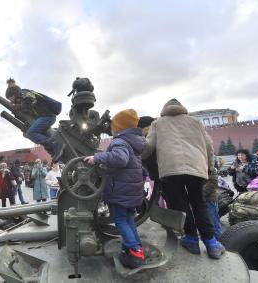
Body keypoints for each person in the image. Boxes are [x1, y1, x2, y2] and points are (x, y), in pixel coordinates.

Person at [143, 98, 225, 259]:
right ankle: (212, 243)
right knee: (199, 202)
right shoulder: (195, 122)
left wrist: (138, 157)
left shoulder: (158, 123)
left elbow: (148, 147)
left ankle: (192, 240)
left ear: (164, 109)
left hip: (170, 169)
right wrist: (208, 167)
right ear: (182, 108)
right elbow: (209, 146)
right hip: (196, 169)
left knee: (181, 205)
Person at [85, 109, 146, 268]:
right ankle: (135, 247)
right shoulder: (135, 142)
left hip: (119, 191)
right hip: (131, 191)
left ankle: (135, 251)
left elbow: (120, 159)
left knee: (120, 220)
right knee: (128, 219)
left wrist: (96, 158)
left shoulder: (120, 141)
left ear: (119, 128)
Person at [5, 78, 65, 162]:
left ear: (14, 94)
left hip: (47, 116)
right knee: (27, 133)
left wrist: (18, 107)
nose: (10, 101)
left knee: (31, 133)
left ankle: (55, 146)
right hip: (43, 117)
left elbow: (29, 101)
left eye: (10, 98)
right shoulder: (21, 98)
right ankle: (52, 150)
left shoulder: (24, 93)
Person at [203, 168, 222, 240]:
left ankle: (220, 242)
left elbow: (212, 183)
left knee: (214, 223)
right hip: (201, 200)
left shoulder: (211, 168)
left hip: (209, 199)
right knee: (207, 223)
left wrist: (199, 194)